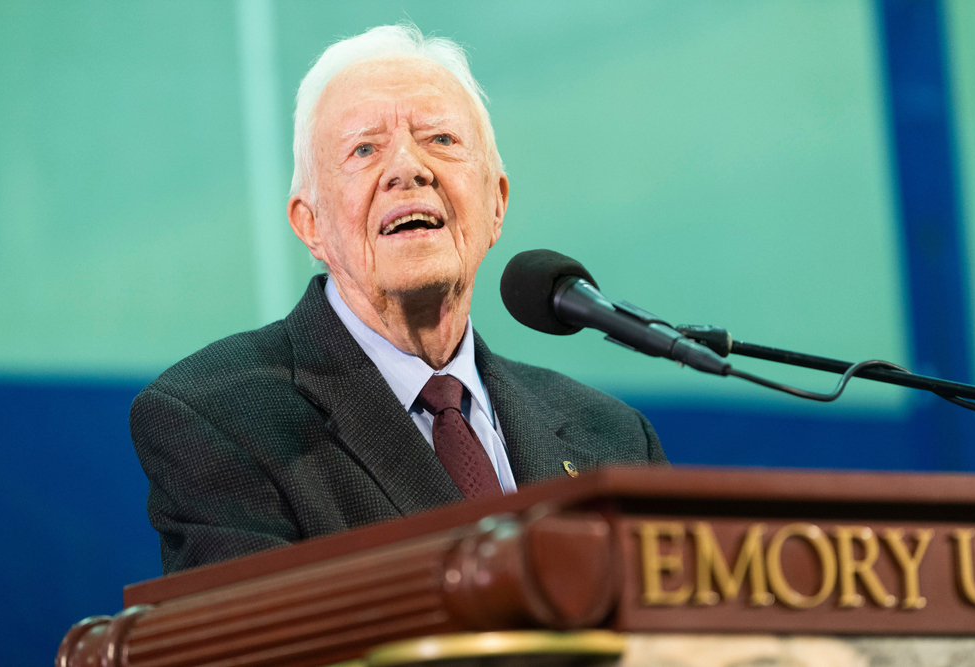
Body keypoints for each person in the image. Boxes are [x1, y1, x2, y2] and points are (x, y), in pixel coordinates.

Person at [131, 24, 667, 575]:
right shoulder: (217, 419)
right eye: (364, 149)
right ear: (310, 224)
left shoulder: (615, 437)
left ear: (496, 204)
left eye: (441, 140)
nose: (408, 168)